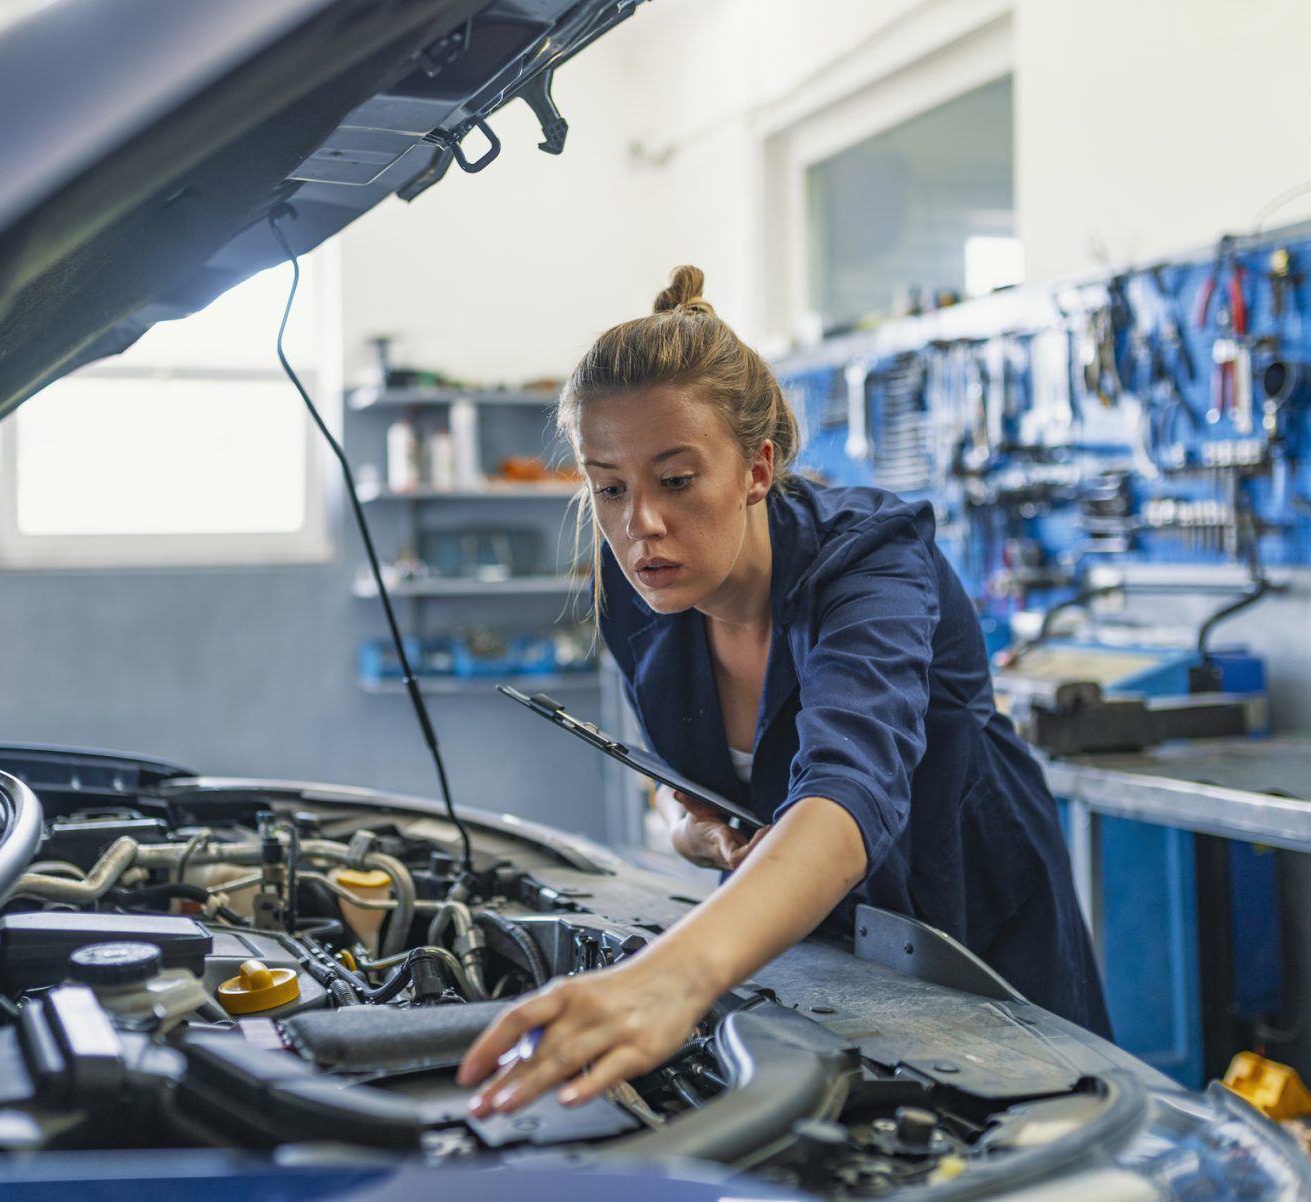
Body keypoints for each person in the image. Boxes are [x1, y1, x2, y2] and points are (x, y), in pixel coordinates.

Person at [456, 266, 1110, 1118]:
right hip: (796, 940)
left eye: (677, 479)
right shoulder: (642, 589)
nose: (638, 524)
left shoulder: (871, 561)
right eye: (609, 486)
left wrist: (667, 980)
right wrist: (680, 819)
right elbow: (672, 759)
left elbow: (850, 789)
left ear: (757, 467)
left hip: (968, 929)